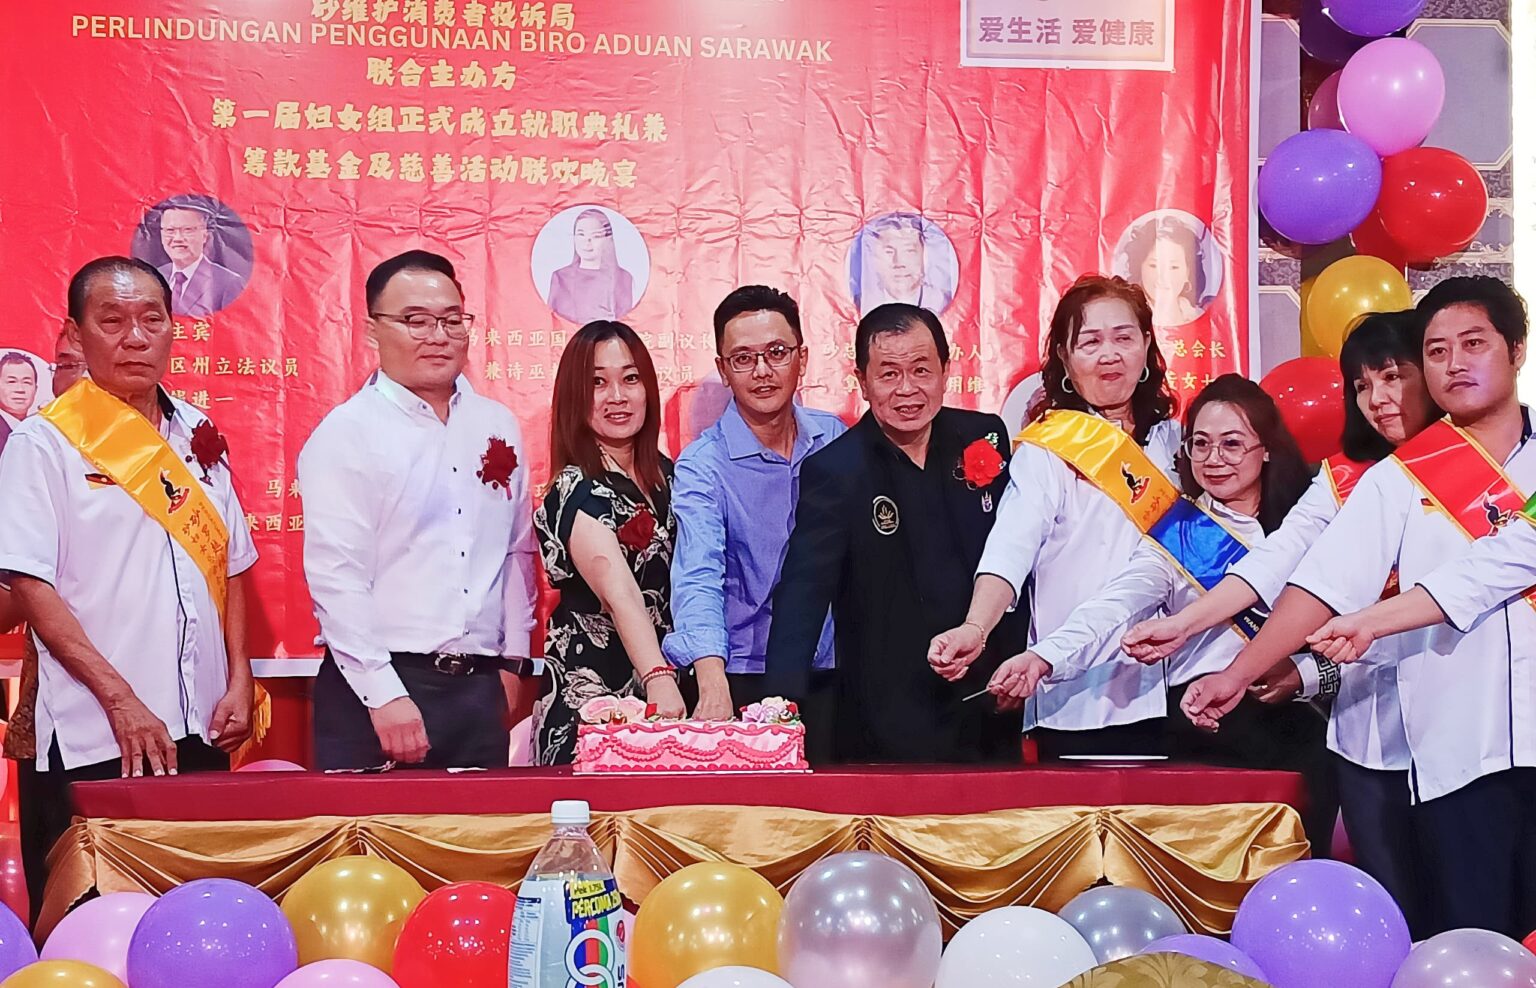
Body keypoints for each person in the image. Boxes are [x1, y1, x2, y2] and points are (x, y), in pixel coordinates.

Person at [1183, 277, 1536, 938]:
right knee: (1474, 941)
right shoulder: (1396, 479)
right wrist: (1237, 673)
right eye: (1436, 351)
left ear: (1516, 349)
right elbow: (1322, 583)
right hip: (1462, 757)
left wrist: (1370, 622)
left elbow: (1503, 563)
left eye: (1474, 344)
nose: (1454, 364)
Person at [1120, 311, 1439, 933]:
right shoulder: (1345, 479)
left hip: (1471, 719)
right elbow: (1287, 567)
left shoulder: (1494, 468)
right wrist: (1192, 631)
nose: (1378, 399)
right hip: (1368, 726)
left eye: (1392, 377)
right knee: (1392, 900)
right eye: (1362, 384)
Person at [0, 256, 258, 915]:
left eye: (151, 320)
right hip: (99, 731)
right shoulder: (44, 444)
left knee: (195, 917)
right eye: (111, 321)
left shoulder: (200, 433)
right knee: (94, 923)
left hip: (202, 726)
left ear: (174, 328)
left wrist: (239, 675)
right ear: (75, 333)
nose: (135, 338)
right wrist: (120, 701)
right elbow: (31, 585)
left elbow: (231, 564)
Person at [983, 375, 1335, 846]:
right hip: (1206, 726)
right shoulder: (1175, 536)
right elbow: (1114, 605)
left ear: (1267, 448)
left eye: (1232, 444)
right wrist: (1043, 657)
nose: (1214, 459)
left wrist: (1305, 675)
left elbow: (1357, 627)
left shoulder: (1310, 521)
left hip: (1307, 725)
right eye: (1200, 444)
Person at [299, 250, 536, 771]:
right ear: (372, 331)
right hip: (378, 689)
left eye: (452, 320)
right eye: (416, 321)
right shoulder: (347, 433)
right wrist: (382, 692)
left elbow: (517, 550)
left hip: (478, 690)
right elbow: (336, 575)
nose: (438, 336)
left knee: (485, 827)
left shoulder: (497, 424)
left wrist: (513, 661)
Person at [929, 274, 1180, 757]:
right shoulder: (1049, 449)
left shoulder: (1178, 441)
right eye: (1090, 342)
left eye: (1124, 338)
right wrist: (975, 627)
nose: (1109, 355)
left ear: (1147, 345)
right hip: (1077, 692)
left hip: (1175, 687)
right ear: (1065, 357)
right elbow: (1011, 547)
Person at [763, 303, 1023, 763]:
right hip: (886, 719)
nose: (907, 389)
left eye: (921, 370)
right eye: (888, 374)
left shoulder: (983, 437)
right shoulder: (836, 471)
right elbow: (803, 595)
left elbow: (1017, 556)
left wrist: (1018, 663)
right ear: (862, 382)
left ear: (946, 370)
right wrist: (779, 710)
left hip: (988, 702)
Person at [663, 287, 845, 735]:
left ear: (802, 358)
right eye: (743, 358)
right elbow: (698, 575)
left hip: (833, 667)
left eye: (777, 352)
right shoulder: (704, 464)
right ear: (724, 370)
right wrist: (712, 682)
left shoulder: (834, 438)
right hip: (744, 673)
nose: (762, 371)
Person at [533, 320, 682, 764]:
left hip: (669, 688)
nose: (617, 396)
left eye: (630, 378)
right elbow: (620, 594)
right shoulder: (575, 487)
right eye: (598, 383)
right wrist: (657, 677)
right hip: (597, 700)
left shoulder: (670, 476)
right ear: (575, 396)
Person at [2, 326, 86, 921]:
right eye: (62, 364)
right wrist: (32, 585)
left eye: (80, 364)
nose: (71, 378)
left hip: (162, 709)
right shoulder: (35, 450)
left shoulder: (172, 451)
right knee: (55, 880)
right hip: (57, 710)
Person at [546, 209, 636, 325]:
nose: (587, 242)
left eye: (596, 236)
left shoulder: (623, 278)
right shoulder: (560, 277)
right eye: (581, 234)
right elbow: (551, 321)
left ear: (607, 239)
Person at [155, 204, 246, 317]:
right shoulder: (156, 276)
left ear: (205, 235)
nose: (178, 238)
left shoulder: (229, 283)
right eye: (170, 230)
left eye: (187, 230)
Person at [854, 213, 954, 315]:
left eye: (909, 251)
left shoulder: (941, 302)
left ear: (924, 257)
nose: (899, 263)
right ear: (874, 258)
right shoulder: (863, 304)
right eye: (889, 252)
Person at [1125, 218, 1205, 327]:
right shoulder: (1127, 317)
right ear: (1140, 268)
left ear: (1187, 273)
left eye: (1174, 267)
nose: (1163, 278)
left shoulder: (1199, 316)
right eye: (1154, 266)